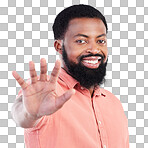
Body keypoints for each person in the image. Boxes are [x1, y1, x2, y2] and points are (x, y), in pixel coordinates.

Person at [11, 4, 129, 148]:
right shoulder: (46, 92)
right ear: (59, 46)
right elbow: (23, 116)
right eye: (81, 41)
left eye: (100, 41)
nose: (94, 49)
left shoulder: (114, 103)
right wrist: (30, 113)